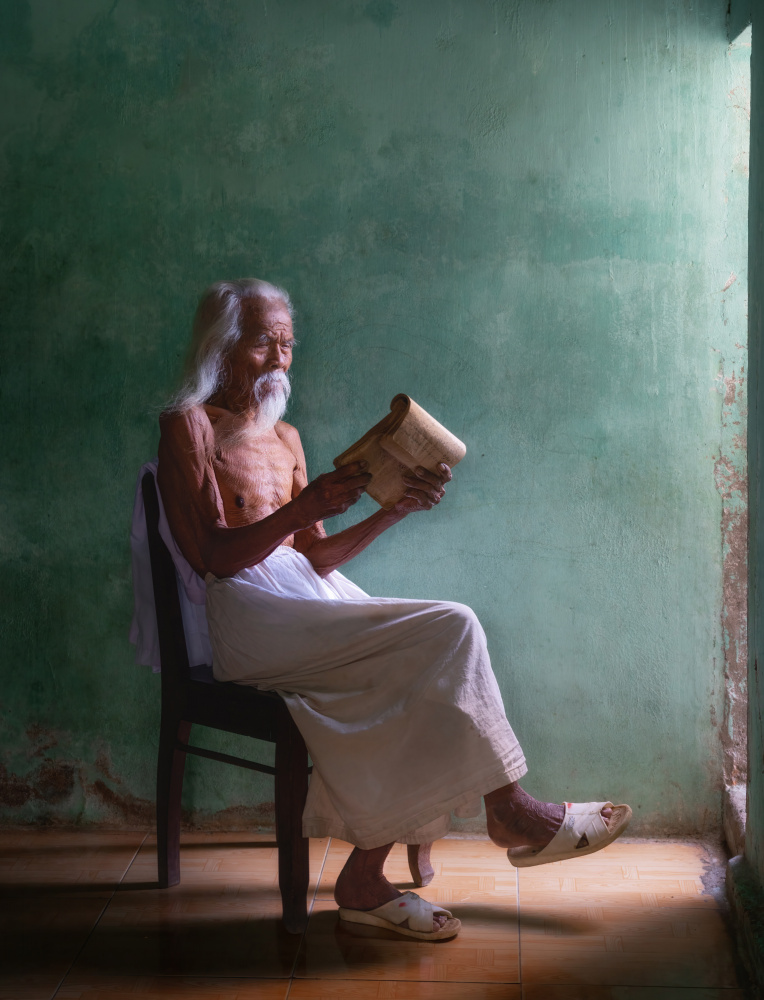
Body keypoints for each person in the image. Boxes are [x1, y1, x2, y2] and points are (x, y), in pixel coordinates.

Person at [157, 278, 631, 942]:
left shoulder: (286, 438)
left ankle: (369, 876)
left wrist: (391, 511)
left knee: (436, 651)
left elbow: (316, 560)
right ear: (222, 345)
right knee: (453, 625)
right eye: (265, 342)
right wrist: (302, 510)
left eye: (289, 345)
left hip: (305, 600)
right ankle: (512, 809)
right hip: (248, 618)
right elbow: (209, 553)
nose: (280, 361)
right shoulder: (188, 427)